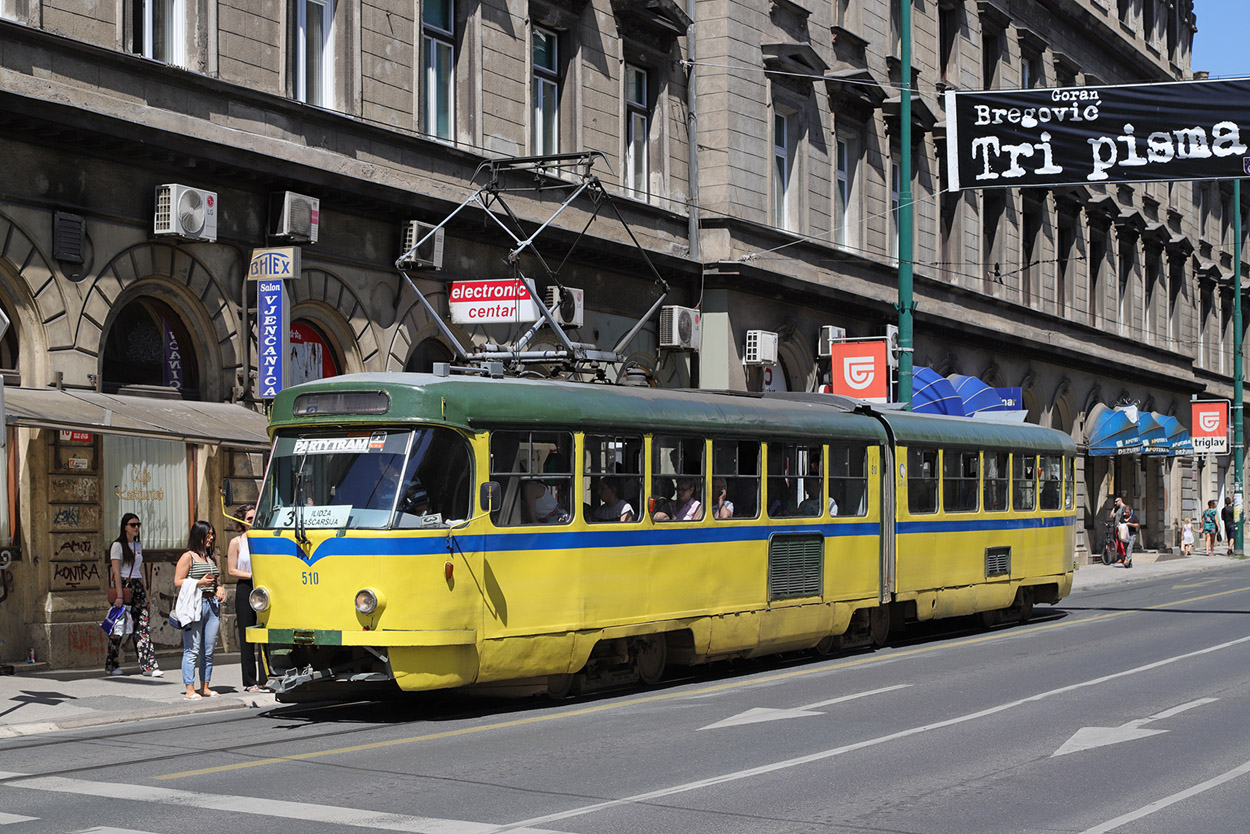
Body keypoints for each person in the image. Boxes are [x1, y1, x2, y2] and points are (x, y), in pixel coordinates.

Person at [104, 513, 162, 678]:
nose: (136, 527)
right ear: (125, 527)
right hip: (123, 587)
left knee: (143, 626)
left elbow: (138, 571)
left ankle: (148, 666)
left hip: (137, 587)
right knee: (118, 629)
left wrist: (146, 595)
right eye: (132, 525)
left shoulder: (138, 546)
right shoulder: (117, 546)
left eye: (138, 524)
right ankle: (112, 664)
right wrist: (120, 596)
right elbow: (116, 572)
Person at [174, 520, 225, 700]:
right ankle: (190, 689)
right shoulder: (188, 556)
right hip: (196, 606)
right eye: (208, 534)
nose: (211, 538)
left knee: (208, 650)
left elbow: (216, 581)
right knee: (192, 650)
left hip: (212, 606)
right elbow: (178, 581)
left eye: (212, 534)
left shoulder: (209, 558)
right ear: (199, 535)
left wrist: (219, 588)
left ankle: (205, 687)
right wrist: (199, 583)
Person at [226, 505, 265, 692]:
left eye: (255, 518)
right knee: (247, 635)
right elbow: (231, 569)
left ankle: (266, 677)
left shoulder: (264, 539)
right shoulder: (237, 542)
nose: (253, 522)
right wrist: (252, 576)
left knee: (265, 633)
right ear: (242, 521)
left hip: (264, 588)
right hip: (246, 586)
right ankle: (250, 681)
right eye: (250, 519)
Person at [1109, 495, 1138, 568]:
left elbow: (1137, 524)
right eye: (1125, 512)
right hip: (1123, 534)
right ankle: (1127, 561)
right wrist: (1114, 508)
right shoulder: (1121, 514)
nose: (1126, 514)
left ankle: (1127, 562)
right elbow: (1112, 517)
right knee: (1124, 547)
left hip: (1131, 534)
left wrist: (1129, 524)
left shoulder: (1132, 516)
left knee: (1129, 548)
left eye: (1116, 501)